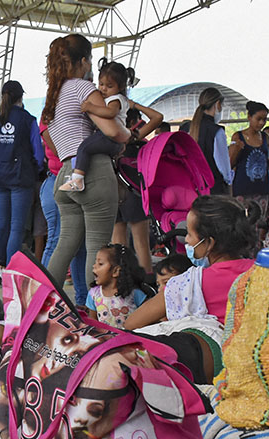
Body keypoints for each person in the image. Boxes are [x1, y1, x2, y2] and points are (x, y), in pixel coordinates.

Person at [44, 34, 132, 301]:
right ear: (83, 61)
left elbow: (47, 135)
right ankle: (98, 316)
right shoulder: (83, 88)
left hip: (65, 174)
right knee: (98, 253)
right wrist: (126, 136)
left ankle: (44, 306)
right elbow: (113, 130)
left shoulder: (53, 94)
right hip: (94, 172)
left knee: (65, 244)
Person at [125, 195, 258, 330]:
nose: (187, 240)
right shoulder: (263, 272)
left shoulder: (189, 284)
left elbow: (132, 323)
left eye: (189, 234)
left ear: (209, 243)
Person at [0, 80, 44, 286]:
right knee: (16, 227)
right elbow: (37, 151)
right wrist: (37, 169)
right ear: (21, 97)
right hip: (20, 176)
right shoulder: (28, 120)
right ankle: (9, 271)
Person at [58, 60, 135, 193]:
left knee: (84, 148)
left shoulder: (115, 99)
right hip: (114, 141)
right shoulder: (112, 97)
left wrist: (91, 107)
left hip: (108, 138)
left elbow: (110, 113)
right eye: (101, 84)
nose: (103, 89)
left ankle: (77, 179)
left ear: (120, 86)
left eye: (109, 86)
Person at [110, 100, 165, 278]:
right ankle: (146, 280)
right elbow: (158, 117)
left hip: (113, 188)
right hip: (133, 191)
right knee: (141, 240)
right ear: (134, 122)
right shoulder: (134, 137)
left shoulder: (110, 135)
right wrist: (134, 104)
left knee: (117, 241)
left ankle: (122, 280)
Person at [229, 101, 269, 222]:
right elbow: (231, 163)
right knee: (241, 222)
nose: (261, 123)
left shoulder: (265, 137)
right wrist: (237, 149)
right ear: (249, 117)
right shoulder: (238, 136)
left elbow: (265, 166)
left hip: (262, 188)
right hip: (242, 188)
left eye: (264, 120)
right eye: (258, 119)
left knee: (260, 222)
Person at [86, 243, 148, 329]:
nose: (94, 266)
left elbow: (147, 317)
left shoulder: (134, 293)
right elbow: (93, 321)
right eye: (95, 262)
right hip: (107, 340)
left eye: (100, 263)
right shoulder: (93, 294)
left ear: (115, 271)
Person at [187, 87, 233, 195]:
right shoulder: (217, 131)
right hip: (215, 190)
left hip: (196, 188)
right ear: (217, 104)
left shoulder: (191, 129)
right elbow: (224, 169)